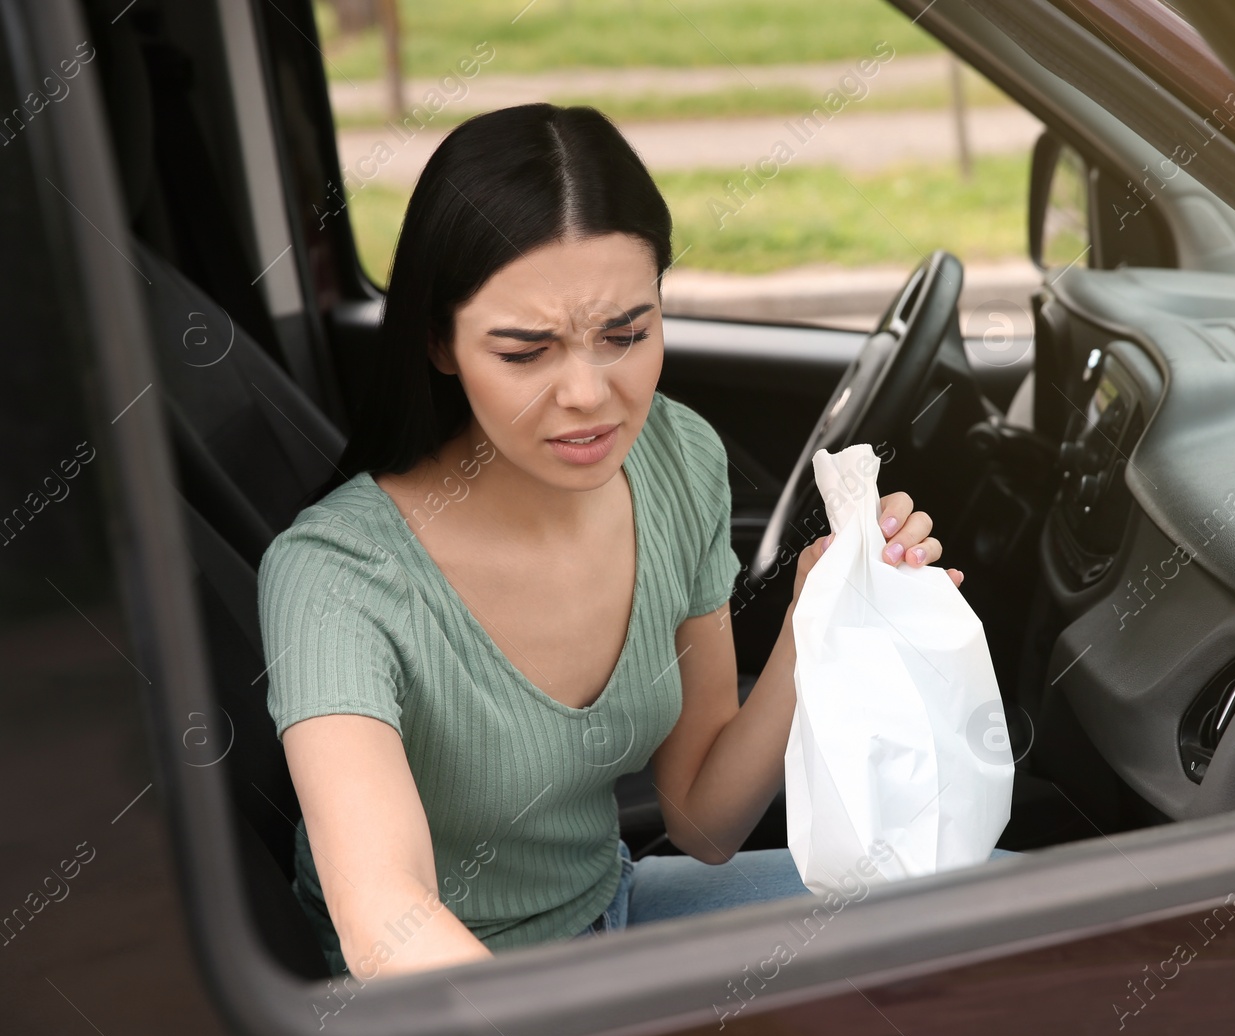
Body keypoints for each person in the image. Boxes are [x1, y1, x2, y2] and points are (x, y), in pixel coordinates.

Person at [258, 103, 968, 981]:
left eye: (627, 334)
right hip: (443, 1010)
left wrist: (814, 622)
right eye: (527, 351)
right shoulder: (335, 577)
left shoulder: (677, 457)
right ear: (441, 341)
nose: (591, 393)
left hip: (615, 914)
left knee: (1007, 926)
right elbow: (387, 923)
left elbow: (705, 821)